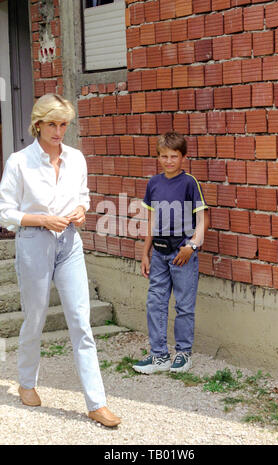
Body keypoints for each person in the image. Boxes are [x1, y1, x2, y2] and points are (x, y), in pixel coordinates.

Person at [0, 93, 120, 427]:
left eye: (63, 124)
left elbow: (82, 196)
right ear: (38, 124)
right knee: (35, 319)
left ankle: (96, 403)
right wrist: (41, 220)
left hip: (69, 243)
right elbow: (4, 211)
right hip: (33, 244)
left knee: (81, 323)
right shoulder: (19, 162)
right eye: (52, 123)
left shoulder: (77, 159)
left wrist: (82, 210)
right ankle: (26, 382)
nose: (58, 130)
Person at [133, 132, 209, 375]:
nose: (168, 161)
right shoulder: (153, 183)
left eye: (174, 156)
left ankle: (183, 354)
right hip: (159, 253)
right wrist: (145, 253)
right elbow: (152, 221)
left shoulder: (189, 183)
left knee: (184, 305)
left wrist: (192, 246)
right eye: (164, 156)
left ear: (183, 157)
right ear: (158, 157)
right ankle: (159, 355)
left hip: (182, 253)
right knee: (155, 302)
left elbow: (203, 219)